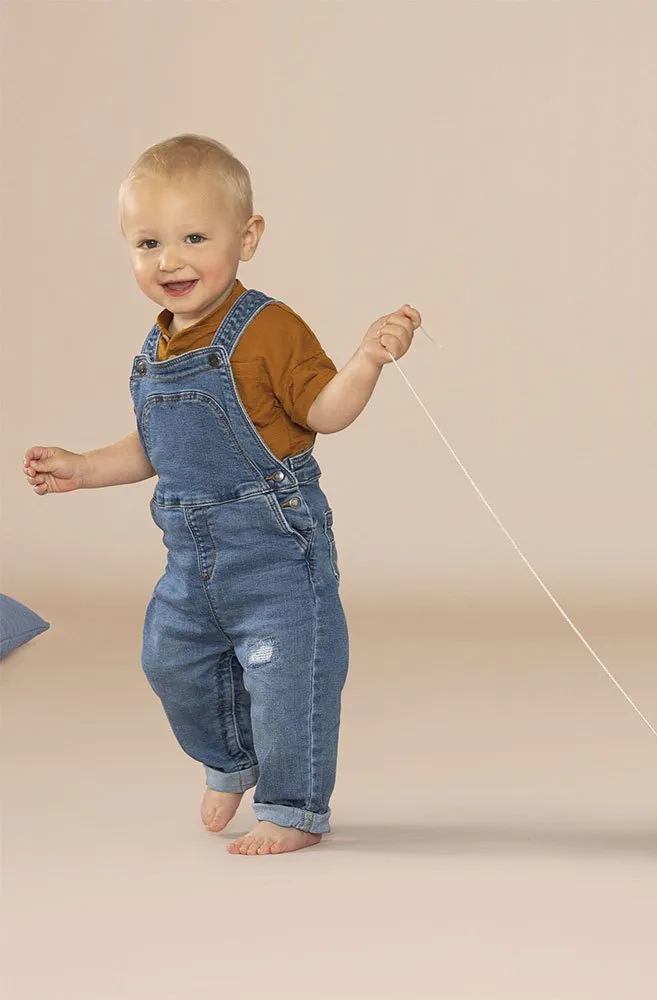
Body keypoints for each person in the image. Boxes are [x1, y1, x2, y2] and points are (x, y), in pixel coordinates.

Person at [23, 134, 420, 856]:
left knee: (287, 679)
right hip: (190, 561)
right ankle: (230, 762)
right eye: (148, 243)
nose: (169, 261)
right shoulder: (155, 348)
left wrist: (366, 361)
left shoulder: (268, 328)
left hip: (275, 553)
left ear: (248, 238)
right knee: (169, 661)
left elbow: (324, 412)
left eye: (194, 238)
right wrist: (83, 468)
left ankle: (292, 808)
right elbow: (155, 447)